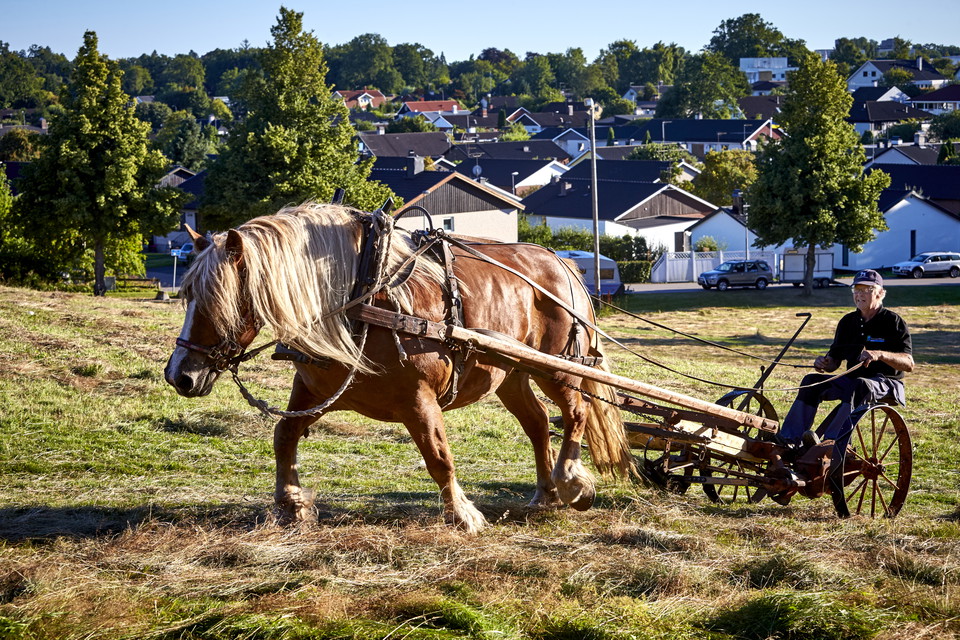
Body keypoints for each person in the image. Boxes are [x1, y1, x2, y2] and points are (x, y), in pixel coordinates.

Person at [771, 269, 913, 502]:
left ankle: (829, 444)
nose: (860, 294)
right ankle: (790, 440)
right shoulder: (848, 322)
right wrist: (825, 363)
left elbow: (909, 363)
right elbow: (834, 361)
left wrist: (879, 354)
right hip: (852, 380)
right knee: (811, 382)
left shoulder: (893, 322)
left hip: (886, 382)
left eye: (867, 290)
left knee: (860, 385)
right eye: (856, 289)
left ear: (880, 293)